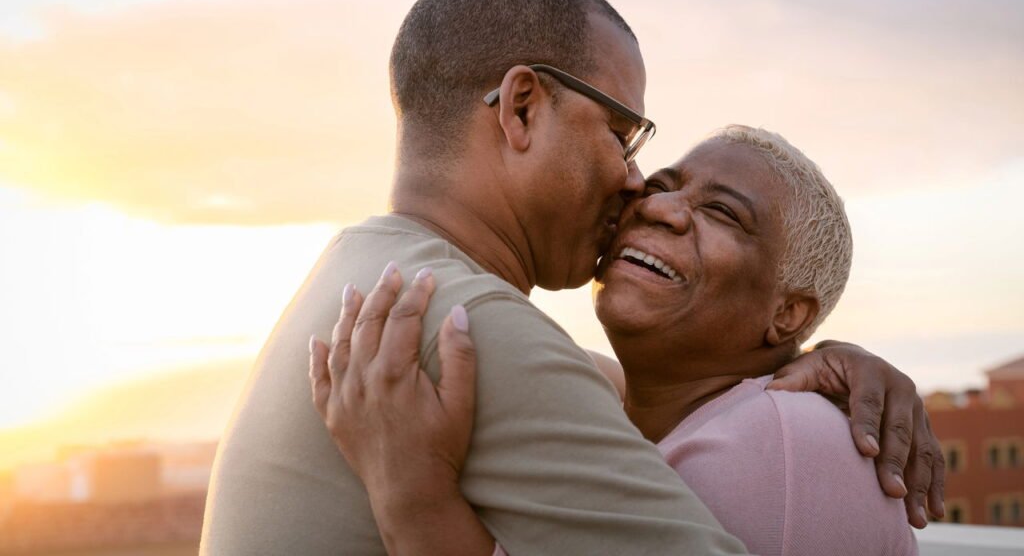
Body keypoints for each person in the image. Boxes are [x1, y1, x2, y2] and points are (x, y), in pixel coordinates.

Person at [201, 0, 943, 554]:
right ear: (521, 108)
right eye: (621, 134)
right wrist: (417, 507)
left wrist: (818, 360)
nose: (637, 187)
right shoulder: (472, 333)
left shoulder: (359, 267)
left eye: (720, 212)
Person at [309, 125, 923, 555]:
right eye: (659, 186)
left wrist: (413, 499)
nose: (660, 209)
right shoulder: (621, 399)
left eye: (723, 213)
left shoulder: (783, 438)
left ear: (788, 314)